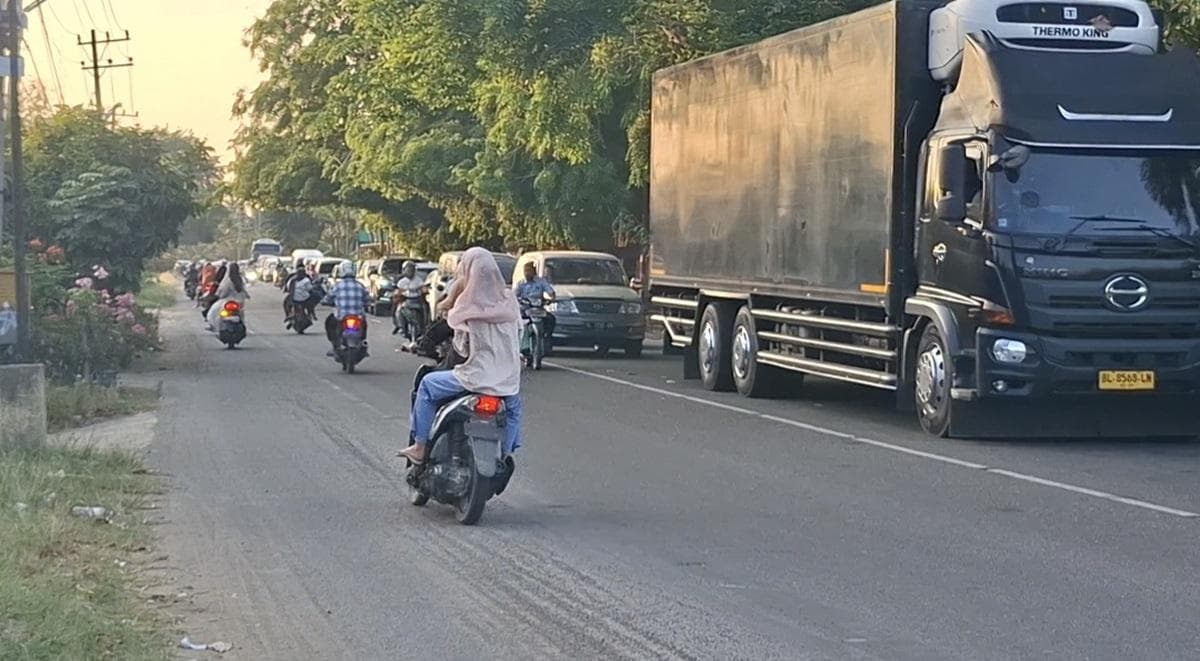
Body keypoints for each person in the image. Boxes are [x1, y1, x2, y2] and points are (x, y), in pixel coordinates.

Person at [399, 247, 524, 465]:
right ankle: (505, 454)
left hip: (474, 377)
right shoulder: (510, 301)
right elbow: (520, 334)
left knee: (427, 384)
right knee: (513, 409)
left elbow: (461, 349)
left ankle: (420, 447)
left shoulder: (467, 306)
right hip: (507, 379)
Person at [321, 260, 370, 354]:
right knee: (364, 324)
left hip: (341, 316)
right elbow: (368, 299)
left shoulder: (337, 286)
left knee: (330, 323)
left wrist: (325, 301)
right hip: (358, 316)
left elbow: (328, 298)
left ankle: (334, 345)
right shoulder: (360, 285)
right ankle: (362, 342)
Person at [514, 261, 557, 341]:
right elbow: (514, 295)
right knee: (516, 320)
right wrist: (518, 301)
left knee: (551, 319)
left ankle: (547, 339)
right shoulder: (521, 283)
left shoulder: (541, 282)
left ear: (534, 271)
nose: (527, 273)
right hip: (525, 309)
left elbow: (551, 292)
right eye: (525, 271)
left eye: (529, 271)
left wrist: (551, 299)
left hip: (538, 309)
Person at [207, 262, 249, 330]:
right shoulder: (240, 279)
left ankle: (214, 325)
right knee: (241, 313)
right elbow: (243, 290)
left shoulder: (228, 280)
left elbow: (223, 291)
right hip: (240, 301)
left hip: (228, 300)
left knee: (214, 310)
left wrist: (218, 295)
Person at [393, 260, 428, 338]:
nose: (410, 271)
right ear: (404, 270)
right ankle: (400, 326)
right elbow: (397, 291)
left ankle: (424, 326)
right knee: (398, 310)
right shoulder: (401, 281)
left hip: (417, 300)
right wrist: (398, 293)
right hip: (405, 300)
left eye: (412, 269)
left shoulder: (418, 280)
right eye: (408, 269)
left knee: (425, 308)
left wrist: (424, 290)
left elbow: (424, 288)